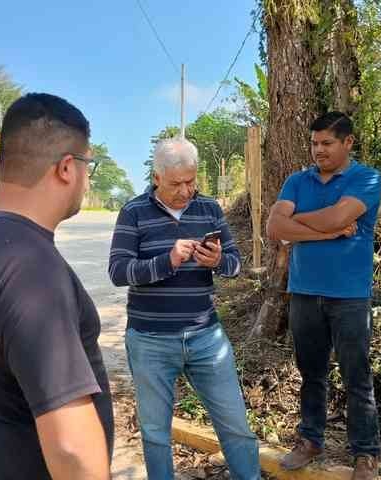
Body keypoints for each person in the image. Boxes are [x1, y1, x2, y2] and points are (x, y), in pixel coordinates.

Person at [0, 93, 112, 480]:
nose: (87, 180)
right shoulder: (31, 265)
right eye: (89, 166)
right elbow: (71, 449)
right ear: (66, 168)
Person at [108, 137, 261, 480]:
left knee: (235, 424)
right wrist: (168, 261)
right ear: (157, 177)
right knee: (155, 433)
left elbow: (236, 264)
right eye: (176, 184)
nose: (185, 191)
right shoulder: (134, 211)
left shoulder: (209, 209)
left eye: (191, 181)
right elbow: (118, 271)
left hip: (206, 338)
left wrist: (218, 261)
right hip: (150, 340)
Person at [266, 111, 381, 480]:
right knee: (311, 373)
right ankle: (310, 440)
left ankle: (365, 453)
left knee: (356, 376)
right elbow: (274, 227)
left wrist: (298, 223)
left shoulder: (366, 178)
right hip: (304, 292)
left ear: (348, 142)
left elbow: (333, 217)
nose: (319, 150)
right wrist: (328, 231)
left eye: (327, 143)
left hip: (349, 296)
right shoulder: (297, 181)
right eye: (315, 143)